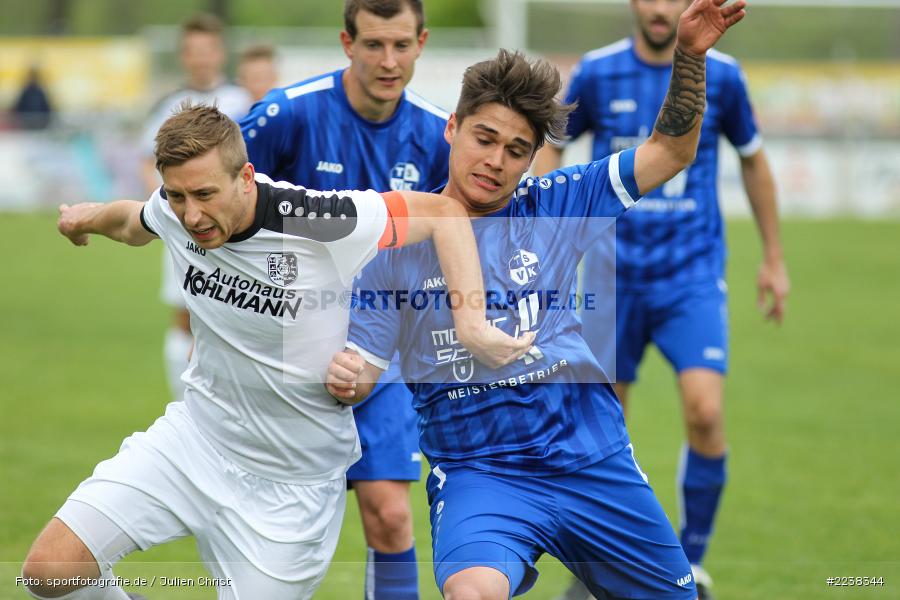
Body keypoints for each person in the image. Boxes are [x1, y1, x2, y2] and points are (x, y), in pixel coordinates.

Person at [23, 103, 531, 600]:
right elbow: (134, 222)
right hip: (194, 443)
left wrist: (471, 322)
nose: (192, 215)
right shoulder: (175, 210)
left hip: (293, 489)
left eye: (204, 194)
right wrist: (85, 220)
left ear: (246, 176)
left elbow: (444, 213)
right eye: (178, 196)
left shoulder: (320, 218)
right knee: (48, 572)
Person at [327, 1, 746, 598]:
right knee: (473, 592)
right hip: (480, 474)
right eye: (484, 138)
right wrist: (349, 375)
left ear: (533, 158)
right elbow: (364, 371)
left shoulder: (557, 203)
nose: (495, 162)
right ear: (452, 128)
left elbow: (671, 152)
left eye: (517, 150)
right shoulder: (395, 246)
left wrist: (690, 58)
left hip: (589, 460)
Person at [533, 1, 790, 597]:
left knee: (704, 411)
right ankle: (602, 565)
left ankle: (692, 559)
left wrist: (774, 258)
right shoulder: (597, 72)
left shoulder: (721, 73)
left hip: (689, 275)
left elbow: (754, 162)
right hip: (608, 277)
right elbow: (554, 150)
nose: (659, 9)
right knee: (602, 428)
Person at [239, 1, 447, 597]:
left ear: (422, 42)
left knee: (389, 515)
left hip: (381, 355)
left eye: (402, 45)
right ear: (346, 42)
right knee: (275, 531)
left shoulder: (437, 134)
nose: (389, 61)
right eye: (374, 45)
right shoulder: (286, 115)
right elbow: (217, 200)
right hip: (286, 354)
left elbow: (453, 237)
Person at [141, 13, 252, 402]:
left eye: (208, 51)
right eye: (194, 52)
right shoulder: (168, 105)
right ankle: (183, 402)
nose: (201, 59)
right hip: (186, 229)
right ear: (184, 56)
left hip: (235, 230)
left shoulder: (244, 100)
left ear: (219, 53)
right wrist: (169, 209)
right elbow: (145, 160)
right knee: (184, 313)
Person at [11, 64, 54, 130]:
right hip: (26, 125)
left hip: (39, 124)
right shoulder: (26, 91)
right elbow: (19, 107)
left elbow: (47, 108)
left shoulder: (40, 91)